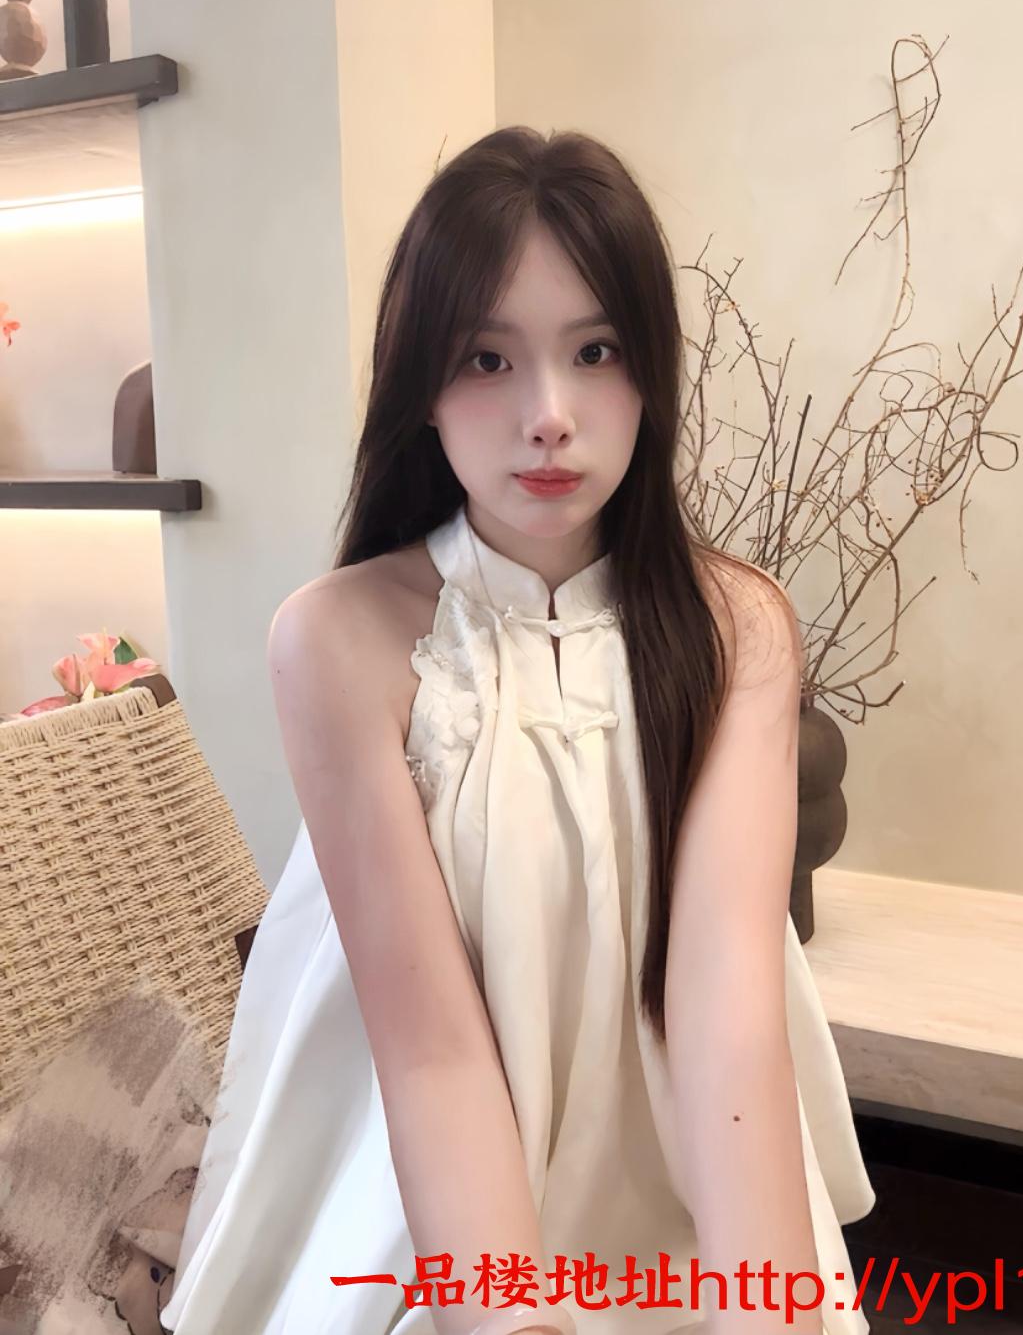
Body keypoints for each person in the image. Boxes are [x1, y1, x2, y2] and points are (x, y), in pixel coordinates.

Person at [158, 127, 876, 1335]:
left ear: (650, 371)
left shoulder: (738, 627)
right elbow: (432, 1053)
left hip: (697, 1198)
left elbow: (726, 1008)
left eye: (595, 351)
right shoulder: (339, 640)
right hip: (427, 1214)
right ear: (421, 387)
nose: (548, 415)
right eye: (487, 359)